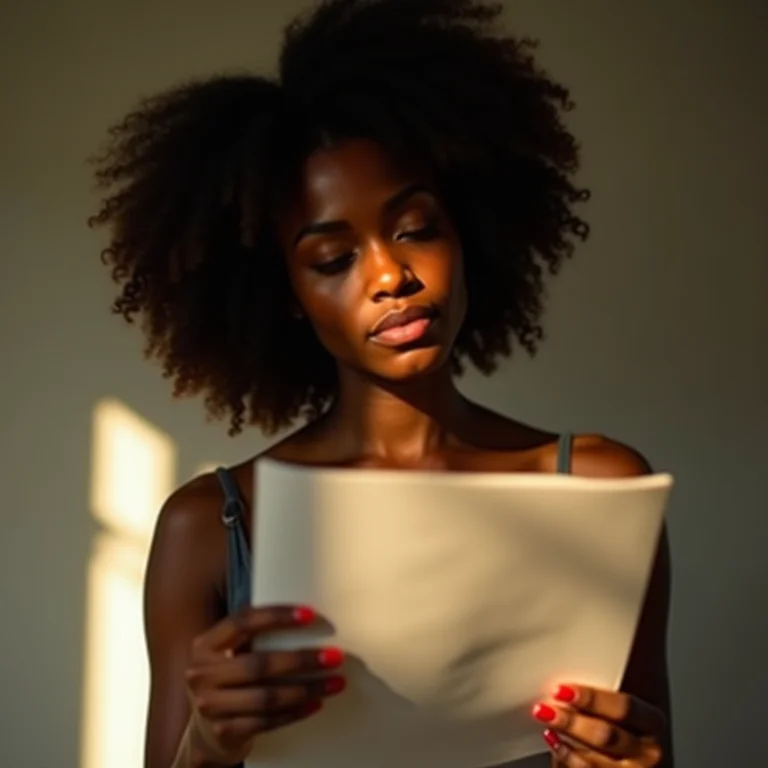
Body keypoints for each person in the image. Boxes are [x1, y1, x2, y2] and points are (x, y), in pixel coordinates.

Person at [88, 1, 672, 766]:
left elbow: (653, 746)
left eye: (415, 227)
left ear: (470, 234)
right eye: (334, 259)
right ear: (286, 297)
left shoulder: (601, 489)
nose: (391, 275)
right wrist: (207, 741)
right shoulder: (209, 527)